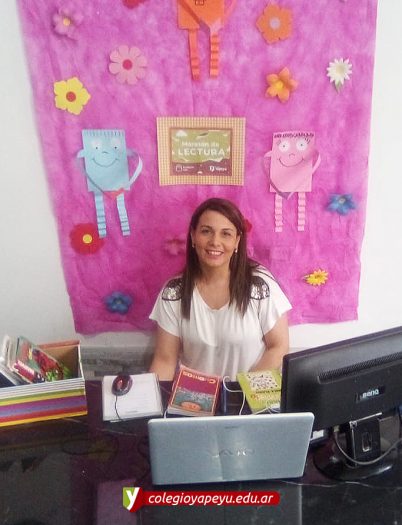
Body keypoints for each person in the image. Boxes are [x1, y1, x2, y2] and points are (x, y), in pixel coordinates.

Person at [149, 198, 291, 381]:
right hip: (195, 396)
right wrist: (152, 396)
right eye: (206, 231)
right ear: (193, 236)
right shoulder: (173, 292)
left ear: (237, 241)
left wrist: (241, 391)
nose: (215, 242)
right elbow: (165, 360)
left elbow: (279, 347)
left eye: (226, 234)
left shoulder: (260, 285)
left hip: (249, 393)